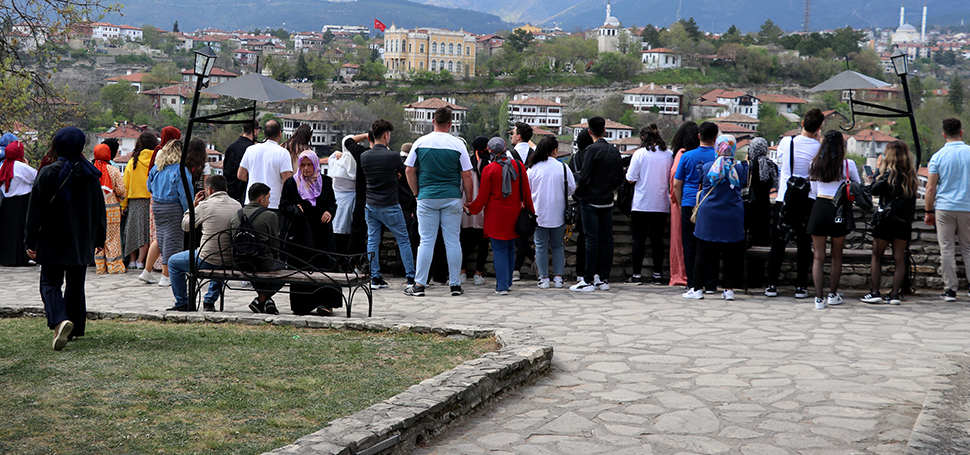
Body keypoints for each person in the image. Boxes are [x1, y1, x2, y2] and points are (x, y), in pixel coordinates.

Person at [25, 127, 106, 351]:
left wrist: (30, 239)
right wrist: (99, 238)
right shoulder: (91, 175)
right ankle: (75, 326)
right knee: (76, 284)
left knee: (50, 282)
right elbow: (99, 210)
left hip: (53, 238)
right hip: (81, 239)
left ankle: (60, 320)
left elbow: (35, 210)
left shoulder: (48, 172)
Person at [404, 106, 474, 297]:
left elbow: (409, 171)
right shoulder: (458, 145)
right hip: (452, 197)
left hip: (427, 197)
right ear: (450, 124)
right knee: (453, 241)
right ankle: (455, 285)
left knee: (426, 241)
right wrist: (469, 199)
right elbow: (467, 176)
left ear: (433, 121)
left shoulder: (420, 142)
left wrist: (416, 193)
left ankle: (419, 284)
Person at [765, 109, 824, 299]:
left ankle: (771, 284)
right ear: (819, 128)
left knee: (778, 243)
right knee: (804, 244)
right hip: (807, 199)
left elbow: (781, 160)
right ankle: (801, 286)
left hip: (785, 197)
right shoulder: (819, 148)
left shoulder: (786, 142)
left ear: (802, 123)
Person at [682, 135, 747, 301]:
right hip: (732, 214)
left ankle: (697, 288)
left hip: (709, 215)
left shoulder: (707, 168)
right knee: (730, 255)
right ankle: (729, 289)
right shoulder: (740, 169)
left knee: (702, 253)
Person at [468, 137, 535, 295]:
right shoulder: (518, 166)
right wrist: (531, 213)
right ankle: (508, 282)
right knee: (510, 247)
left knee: (499, 249)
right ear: (505, 148)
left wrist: (471, 209)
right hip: (515, 214)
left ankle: (502, 286)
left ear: (490, 151)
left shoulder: (489, 169)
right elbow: (526, 193)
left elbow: (482, 198)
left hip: (496, 216)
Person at [280, 150, 341, 315]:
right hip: (301, 234)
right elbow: (283, 206)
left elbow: (332, 203)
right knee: (302, 267)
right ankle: (303, 304)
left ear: (315, 165)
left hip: (322, 233)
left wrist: (329, 212)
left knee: (325, 266)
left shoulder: (325, 182)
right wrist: (294, 209)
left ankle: (326, 303)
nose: (306, 169)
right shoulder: (292, 183)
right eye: (303, 165)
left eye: (309, 165)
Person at [166, 175, 240, 312]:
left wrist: (193, 206)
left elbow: (186, 225)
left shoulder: (205, 206)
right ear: (226, 189)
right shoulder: (237, 205)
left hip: (207, 258)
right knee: (220, 260)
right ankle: (209, 300)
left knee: (173, 262)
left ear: (209, 190)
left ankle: (182, 302)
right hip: (230, 259)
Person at [806, 130, 861, 310]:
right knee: (837, 255)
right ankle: (832, 294)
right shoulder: (848, 164)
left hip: (820, 207)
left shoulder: (814, 164)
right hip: (839, 209)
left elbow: (813, 190)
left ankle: (818, 298)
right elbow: (857, 186)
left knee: (818, 256)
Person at [358, 119, 415, 290]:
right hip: (390, 204)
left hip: (371, 204)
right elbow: (405, 172)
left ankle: (375, 277)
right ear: (385, 135)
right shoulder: (393, 156)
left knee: (373, 241)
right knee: (403, 240)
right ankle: (411, 278)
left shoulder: (364, 156)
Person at [570, 116, 624, 292]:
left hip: (590, 201)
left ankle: (587, 280)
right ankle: (603, 278)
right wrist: (608, 191)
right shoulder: (614, 151)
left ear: (589, 131)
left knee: (591, 240)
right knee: (607, 240)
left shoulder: (591, 150)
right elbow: (620, 178)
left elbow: (584, 177)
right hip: (607, 201)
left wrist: (579, 194)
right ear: (605, 131)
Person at [862, 140, 918, 305]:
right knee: (899, 259)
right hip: (903, 222)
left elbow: (873, 189)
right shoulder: (911, 177)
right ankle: (894, 294)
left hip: (886, 220)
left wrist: (878, 171)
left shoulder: (888, 175)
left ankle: (875, 292)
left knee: (876, 256)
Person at [924, 117, 970, 302]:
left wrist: (928, 211)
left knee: (947, 249)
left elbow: (930, 188)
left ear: (944, 135)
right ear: (961, 132)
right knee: (968, 248)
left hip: (944, 206)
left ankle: (950, 289)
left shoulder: (938, 156)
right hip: (967, 206)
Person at [673, 122, 719, 293]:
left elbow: (677, 184)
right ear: (715, 138)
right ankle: (710, 283)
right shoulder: (718, 157)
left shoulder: (686, 156)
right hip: (711, 203)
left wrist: (680, 204)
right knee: (712, 243)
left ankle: (692, 282)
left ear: (699, 136)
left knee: (689, 244)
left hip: (689, 202)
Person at [625, 124, 673, 285]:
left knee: (639, 240)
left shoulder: (639, 154)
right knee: (657, 241)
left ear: (642, 137)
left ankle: (636, 275)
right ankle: (657, 275)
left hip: (642, 203)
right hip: (660, 204)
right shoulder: (669, 154)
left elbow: (630, 178)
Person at [144, 140, 193, 287]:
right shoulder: (181, 170)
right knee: (173, 241)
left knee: (161, 238)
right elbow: (185, 194)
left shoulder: (157, 168)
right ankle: (166, 276)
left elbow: (149, 186)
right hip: (173, 208)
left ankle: (147, 270)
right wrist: (189, 210)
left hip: (158, 206)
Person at [527, 137, 575, 289]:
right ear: (555, 150)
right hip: (558, 213)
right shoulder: (563, 168)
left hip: (538, 213)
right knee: (558, 246)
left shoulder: (533, 168)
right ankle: (558, 277)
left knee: (540, 246)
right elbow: (572, 189)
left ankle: (544, 278)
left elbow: (527, 191)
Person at [231, 183, 284, 315]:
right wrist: (276, 259)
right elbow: (274, 244)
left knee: (253, 269)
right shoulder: (270, 215)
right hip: (262, 262)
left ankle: (267, 301)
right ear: (261, 199)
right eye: (268, 198)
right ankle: (261, 300)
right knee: (286, 272)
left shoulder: (236, 214)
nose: (269, 202)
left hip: (240, 263)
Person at [238, 119, 294, 215]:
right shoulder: (283, 153)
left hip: (251, 202)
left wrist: (255, 178)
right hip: (274, 203)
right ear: (279, 134)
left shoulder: (250, 150)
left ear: (264, 133)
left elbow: (241, 175)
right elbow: (287, 181)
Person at [743, 138, 778, 288]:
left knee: (749, 242)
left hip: (750, 207)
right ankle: (758, 278)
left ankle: (748, 278)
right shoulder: (772, 165)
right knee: (762, 241)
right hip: (764, 207)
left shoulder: (749, 165)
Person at [122, 131, 158, 270]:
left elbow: (125, 185)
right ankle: (141, 261)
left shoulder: (132, 162)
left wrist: (123, 205)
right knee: (146, 232)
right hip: (150, 200)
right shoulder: (156, 161)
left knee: (132, 231)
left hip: (134, 201)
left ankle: (132, 260)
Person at [0, 141, 37, 266]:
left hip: (7, 203)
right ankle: (21, 258)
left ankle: (7, 257)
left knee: (8, 231)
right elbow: (36, 178)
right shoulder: (21, 167)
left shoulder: (2, 166)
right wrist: (27, 165)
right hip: (22, 202)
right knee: (21, 230)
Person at [92, 141, 127, 274]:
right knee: (112, 238)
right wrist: (119, 199)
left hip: (95, 211)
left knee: (97, 238)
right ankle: (114, 266)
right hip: (112, 210)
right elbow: (121, 191)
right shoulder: (113, 170)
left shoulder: (91, 170)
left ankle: (100, 267)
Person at [461, 136, 491, 286]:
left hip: (466, 208)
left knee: (464, 242)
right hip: (484, 210)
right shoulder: (489, 165)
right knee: (483, 243)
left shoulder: (466, 164)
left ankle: (462, 272)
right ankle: (478, 274)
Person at [510, 122, 536, 280]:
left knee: (516, 234)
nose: (511, 136)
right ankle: (532, 258)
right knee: (522, 234)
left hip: (513, 198)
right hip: (531, 198)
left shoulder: (509, 154)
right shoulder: (536, 153)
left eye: (513, 133)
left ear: (519, 136)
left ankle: (516, 268)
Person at [569, 129, 595, 281]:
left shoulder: (575, 158)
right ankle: (593, 272)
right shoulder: (594, 155)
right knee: (594, 238)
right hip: (595, 200)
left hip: (580, 202)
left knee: (582, 238)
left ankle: (580, 273)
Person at [330, 135, 359, 253]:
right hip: (351, 200)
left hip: (337, 199)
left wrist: (336, 153)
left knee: (337, 230)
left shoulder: (336, 161)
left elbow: (331, 158)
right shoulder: (356, 162)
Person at [223, 120, 259, 204]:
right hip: (242, 192)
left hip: (228, 191)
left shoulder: (231, 147)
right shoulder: (252, 149)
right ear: (254, 131)